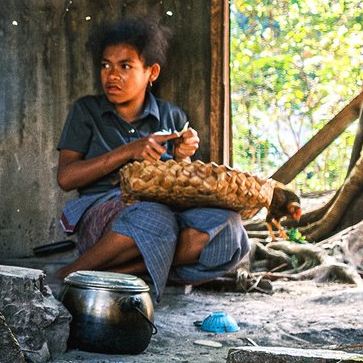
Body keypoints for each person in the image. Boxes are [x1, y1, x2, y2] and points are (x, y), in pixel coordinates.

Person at [54, 16, 249, 298]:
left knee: (229, 226)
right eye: (106, 65)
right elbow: (66, 178)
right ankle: (72, 273)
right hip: (107, 220)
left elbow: (183, 189)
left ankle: (111, 274)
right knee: (153, 216)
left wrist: (182, 158)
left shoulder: (172, 116)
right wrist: (129, 151)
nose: (112, 75)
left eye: (125, 66)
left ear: (152, 72)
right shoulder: (87, 111)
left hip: (165, 218)